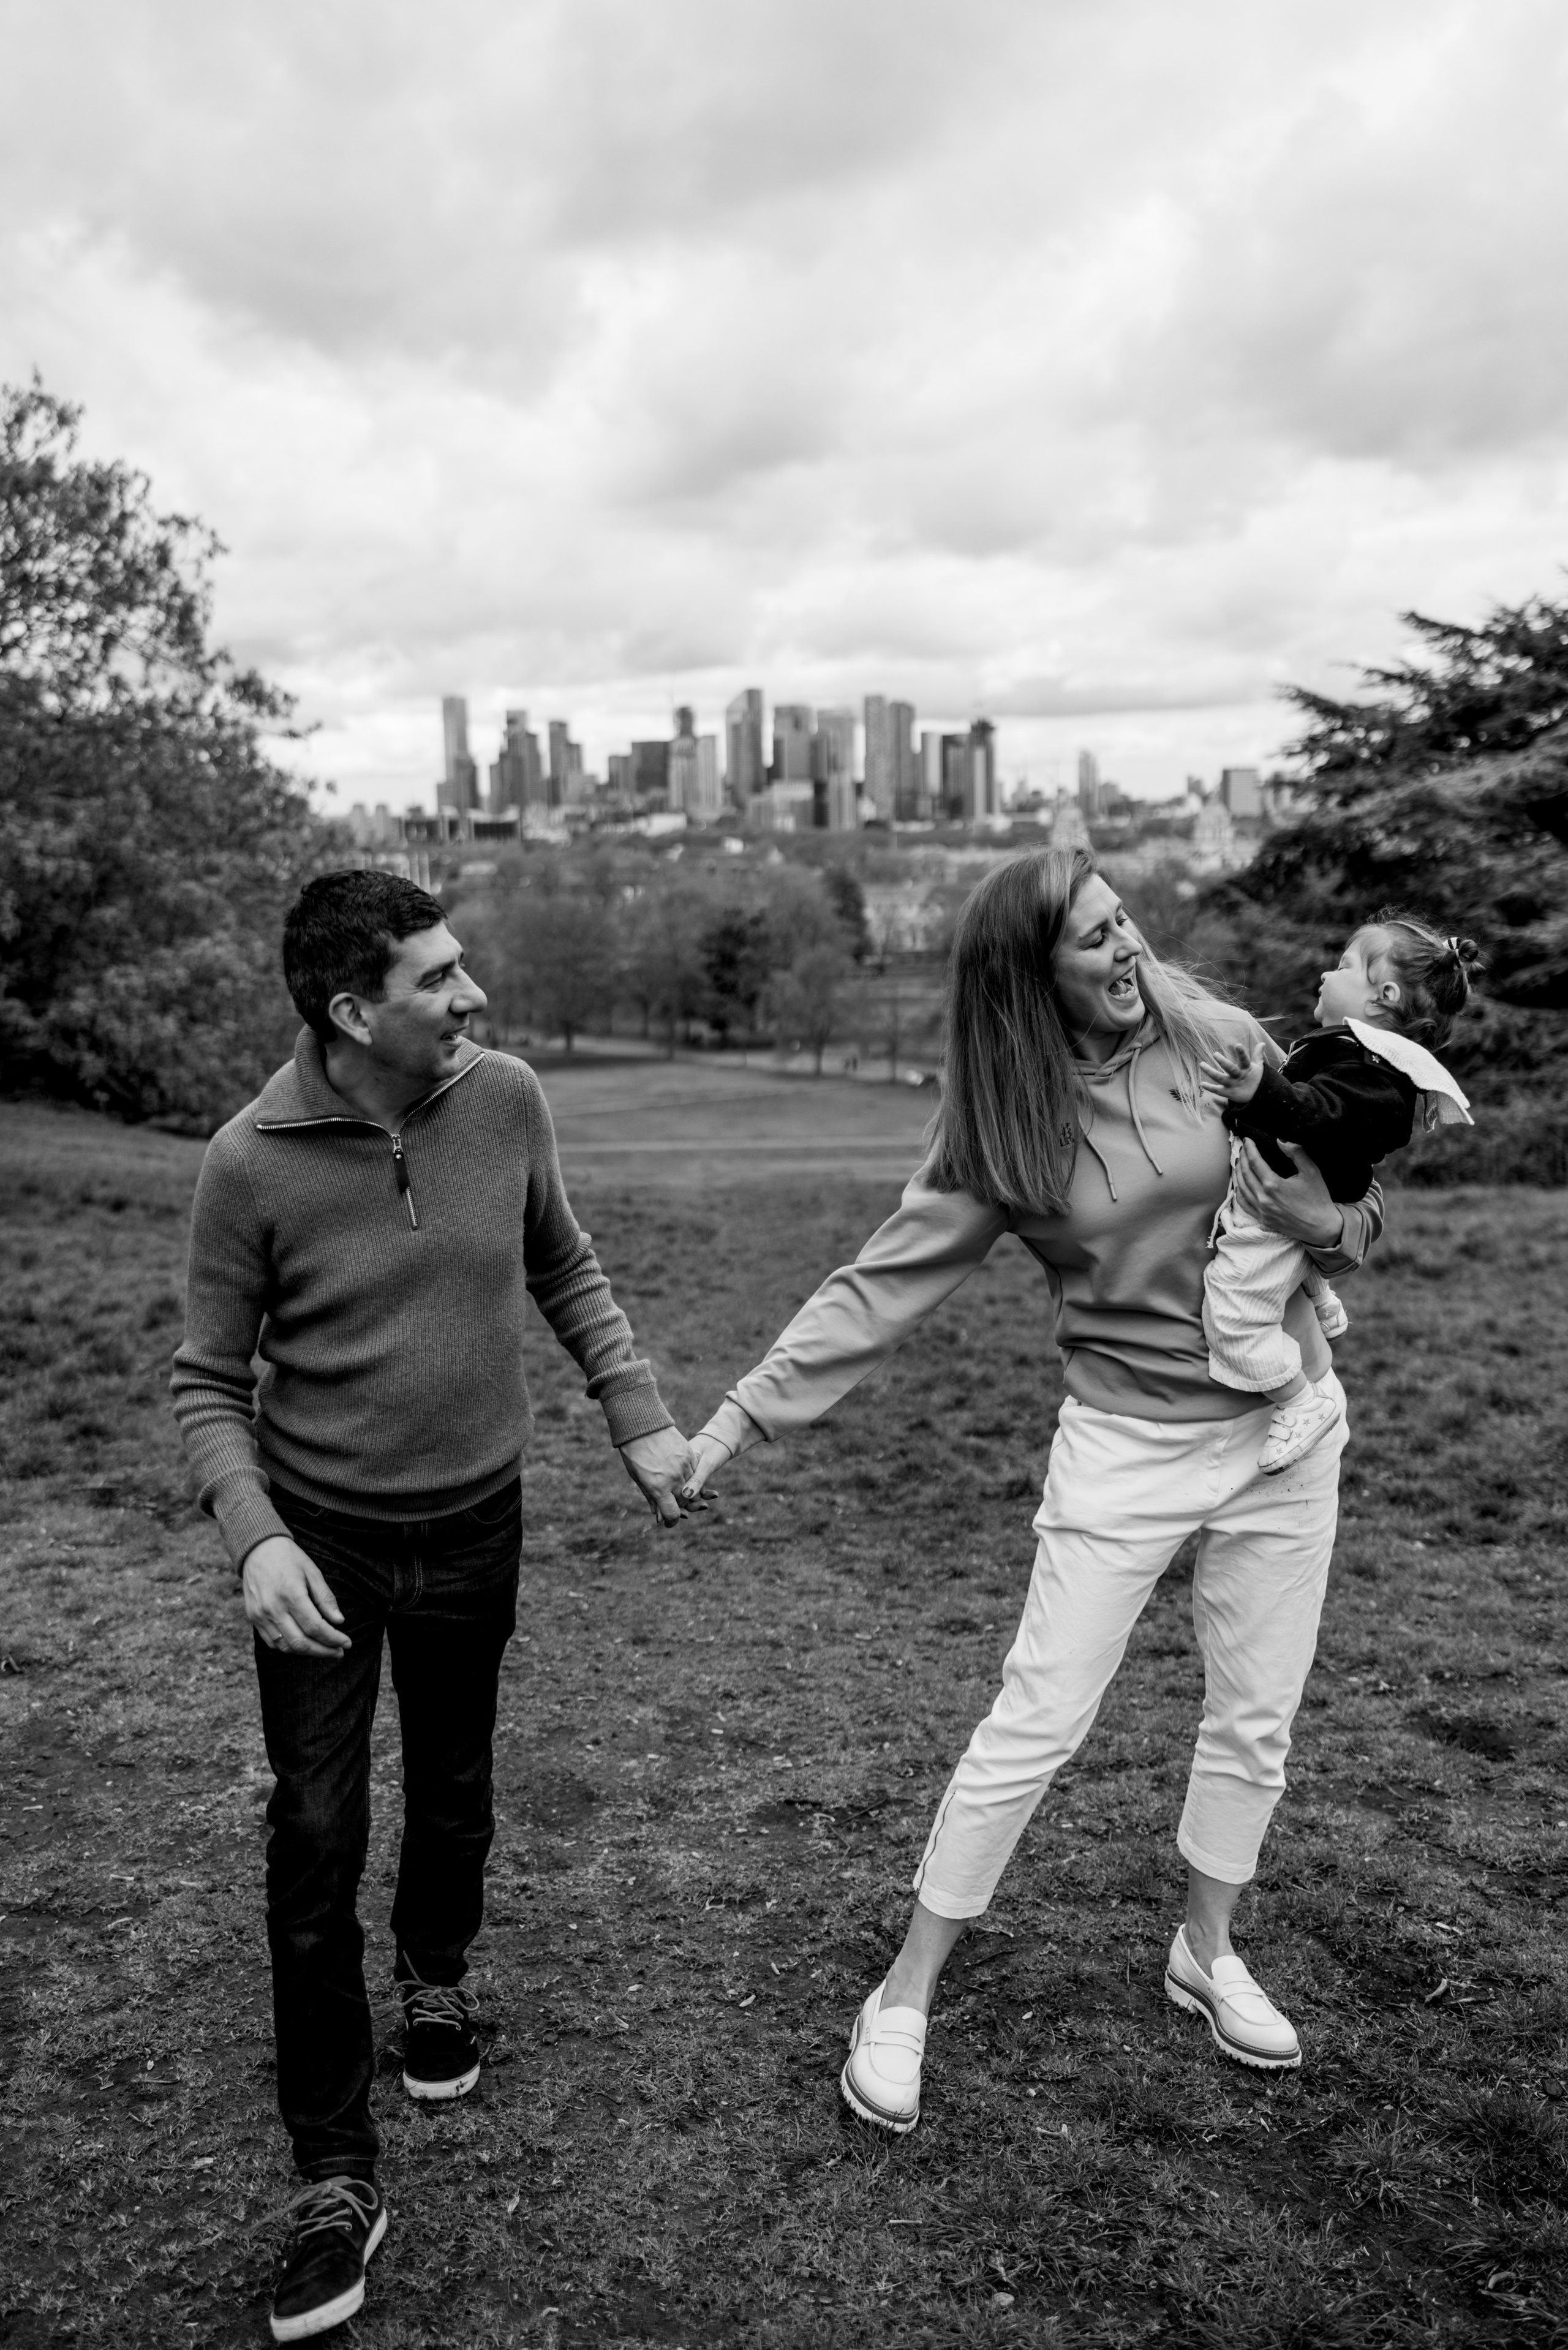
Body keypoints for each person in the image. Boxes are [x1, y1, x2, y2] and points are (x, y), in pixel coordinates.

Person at [680, 846, 1382, 2133]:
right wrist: (733, 1419)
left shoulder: (1216, 1037)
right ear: (1028, 976)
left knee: (1254, 1717)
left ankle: (1205, 1947)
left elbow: (1354, 1195)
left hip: (1287, 1427)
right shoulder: (1003, 1122)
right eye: (1095, 941)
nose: (1128, 954)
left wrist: (1327, 1225)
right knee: (1034, 1719)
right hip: (1126, 1449)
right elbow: (877, 1284)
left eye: (1127, 926)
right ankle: (902, 1991)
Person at [171, 871, 692, 2344]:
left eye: (463, 968)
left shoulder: (506, 1098)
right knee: (314, 1833)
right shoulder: (248, 1163)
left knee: (454, 1790)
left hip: (475, 1522)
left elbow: (561, 1263)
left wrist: (636, 1413)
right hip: (319, 1546)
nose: (472, 997)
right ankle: (335, 2175)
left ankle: (437, 1975)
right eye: (437, 978)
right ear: (351, 1011)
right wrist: (255, 1537)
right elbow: (207, 1383)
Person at [1204, 913, 1477, 1472]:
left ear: (1383, 996)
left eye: (1343, 965)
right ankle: (1319, 1297)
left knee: (1231, 1315)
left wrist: (1262, 1089)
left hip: (1276, 1212)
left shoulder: (1374, 1072)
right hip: (1287, 1203)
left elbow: (1319, 1113)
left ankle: (1299, 1401)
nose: (1326, 973)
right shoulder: (1354, 1053)